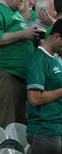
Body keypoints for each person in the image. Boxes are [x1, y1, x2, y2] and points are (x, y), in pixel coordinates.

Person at [26, 16, 62, 153]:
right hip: (44, 131)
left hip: (56, 128)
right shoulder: (38, 60)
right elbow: (34, 98)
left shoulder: (53, 59)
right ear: (57, 36)